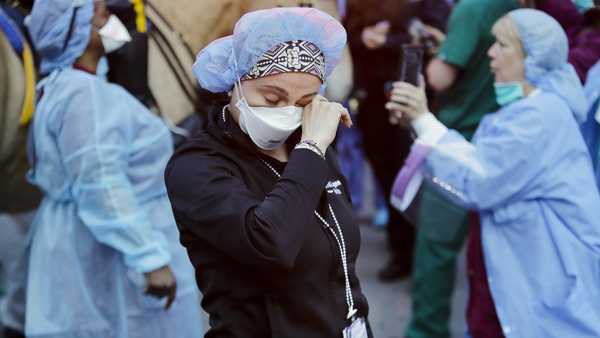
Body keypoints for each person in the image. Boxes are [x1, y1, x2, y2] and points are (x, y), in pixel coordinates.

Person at [388, 8, 600, 337]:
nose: (491, 53)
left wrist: (422, 119)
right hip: (519, 279)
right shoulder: (530, 109)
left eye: (502, 44)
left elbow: (480, 179)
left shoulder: (541, 116)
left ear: (532, 57)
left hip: (541, 288)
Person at [165, 7, 371, 338]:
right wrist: (312, 149)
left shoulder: (308, 146)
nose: (286, 113)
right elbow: (271, 243)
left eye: (304, 102)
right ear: (235, 82)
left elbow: (341, 266)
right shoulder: (197, 166)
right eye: (271, 98)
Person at [24, 1, 203, 337]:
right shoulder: (84, 95)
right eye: (102, 15)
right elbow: (100, 182)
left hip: (92, 248)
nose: (112, 20)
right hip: (113, 259)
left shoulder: (74, 88)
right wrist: (149, 258)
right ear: (77, 29)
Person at [404, 0, 518, 336]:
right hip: (503, 139)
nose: (493, 54)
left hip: (459, 142)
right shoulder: (515, 5)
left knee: (436, 254)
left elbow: (440, 78)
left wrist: (438, 60)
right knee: (490, 261)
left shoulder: (472, 8)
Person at [345, 0, 452, 282]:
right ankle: (400, 247)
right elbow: (346, 31)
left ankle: (416, 253)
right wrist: (363, 37)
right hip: (370, 98)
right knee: (385, 172)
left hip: (411, 96)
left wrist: (387, 41)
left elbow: (434, 37)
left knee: (412, 173)